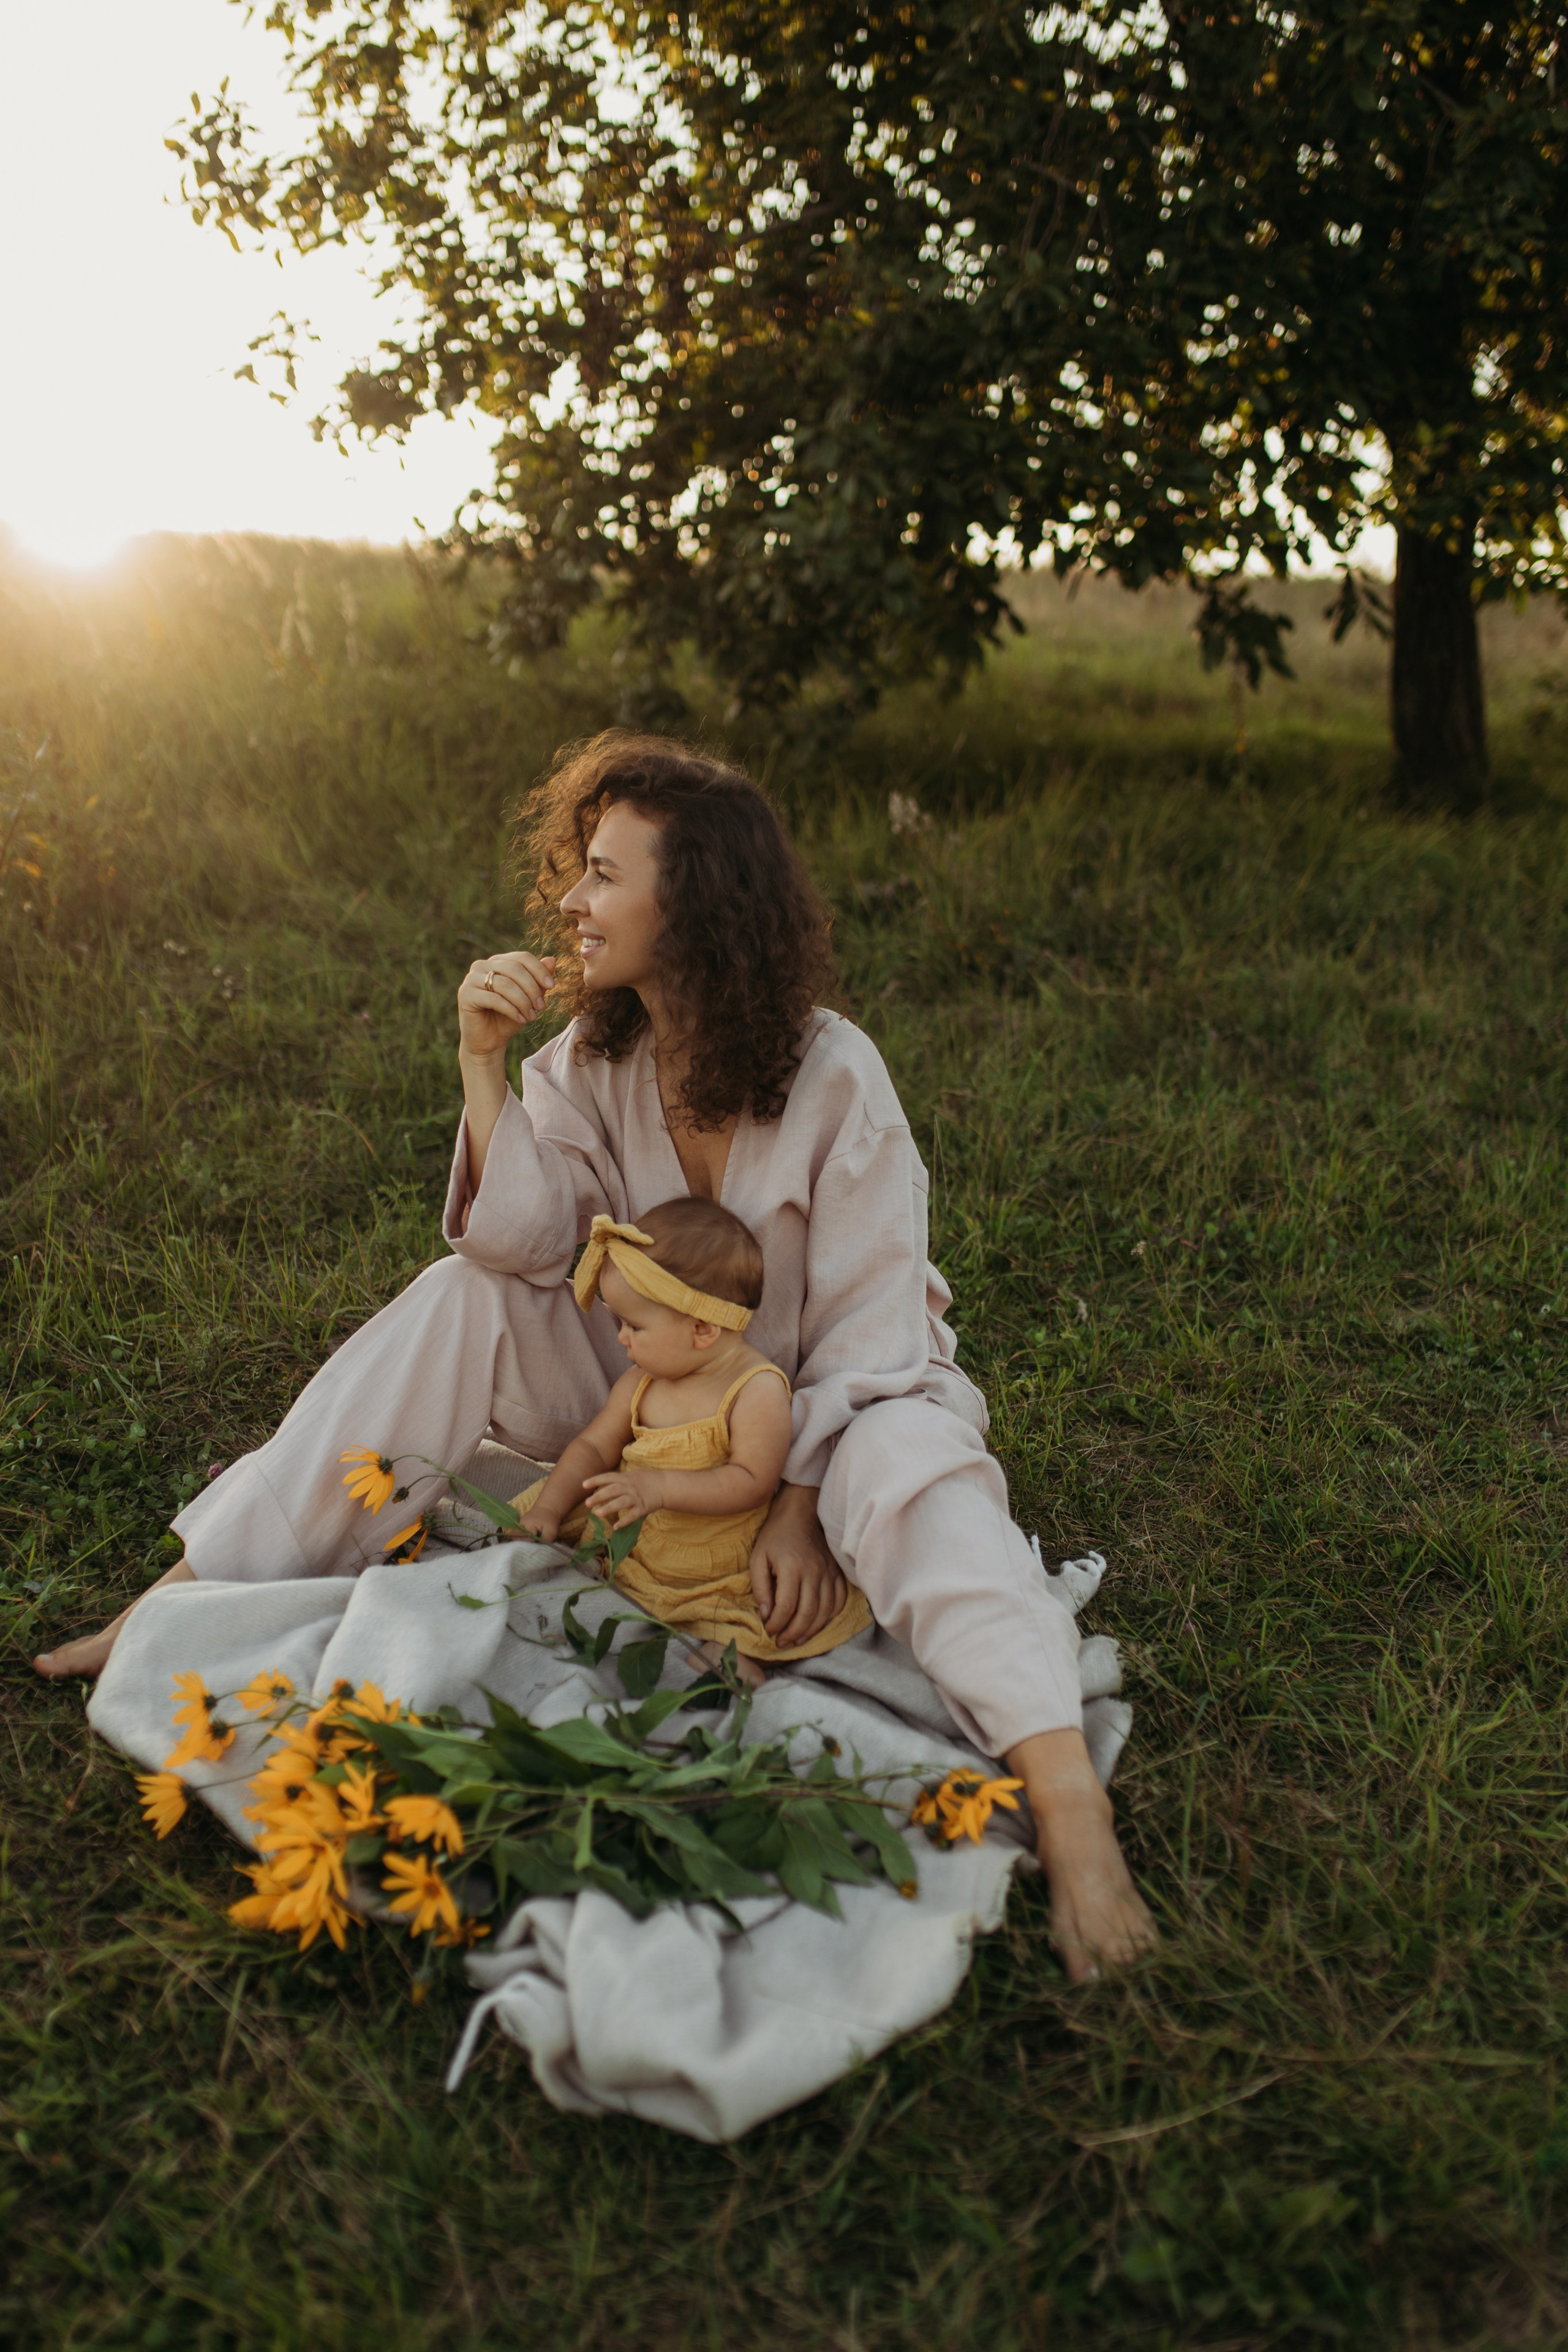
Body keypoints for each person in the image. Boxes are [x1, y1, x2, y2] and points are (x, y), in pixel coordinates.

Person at [36, 730, 1156, 1980]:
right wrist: (480, 1066)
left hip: (840, 1403)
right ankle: (191, 1588)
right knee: (458, 1297)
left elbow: (874, 1328)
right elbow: (521, 1245)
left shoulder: (837, 1079)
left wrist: (790, 1504)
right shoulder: (589, 1058)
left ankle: (1069, 1812)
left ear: (696, 907)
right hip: (649, 1394)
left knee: (914, 1471)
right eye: (578, 869)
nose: (571, 899)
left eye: (607, 875)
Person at [511, 1197, 871, 1683]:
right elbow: (593, 1449)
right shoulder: (641, 1382)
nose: (622, 1339)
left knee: (751, 1607)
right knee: (537, 1515)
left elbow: (753, 1480)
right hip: (640, 1533)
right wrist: (550, 1510)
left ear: (703, 1329)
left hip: (716, 1554)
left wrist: (658, 1489)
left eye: (634, 1326)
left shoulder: (755, 1388)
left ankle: (734, 1653)